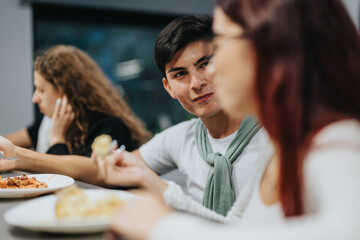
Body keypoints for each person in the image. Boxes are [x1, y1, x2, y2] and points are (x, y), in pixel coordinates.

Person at [105, 0, 360, 239]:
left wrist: (164, 227)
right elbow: (236, 228)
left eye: (221, 45)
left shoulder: (336, 139)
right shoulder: (277, 143)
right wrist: (158, 196)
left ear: (271, 45)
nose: (210, 72)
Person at [94, 14, 271, 221]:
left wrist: (160, 190)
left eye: (204, 64)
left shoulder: (276, 136)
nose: (196, 83)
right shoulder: (181, 137)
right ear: (168, 87)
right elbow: (113, 167)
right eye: (180, 74)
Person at [0, 45, 151, 184]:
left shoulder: (109, 127)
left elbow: (70, 182)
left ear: (65, 91)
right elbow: (7, 143)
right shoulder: (48, 121)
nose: (34, 98)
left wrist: (57, 140)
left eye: (41, 90)